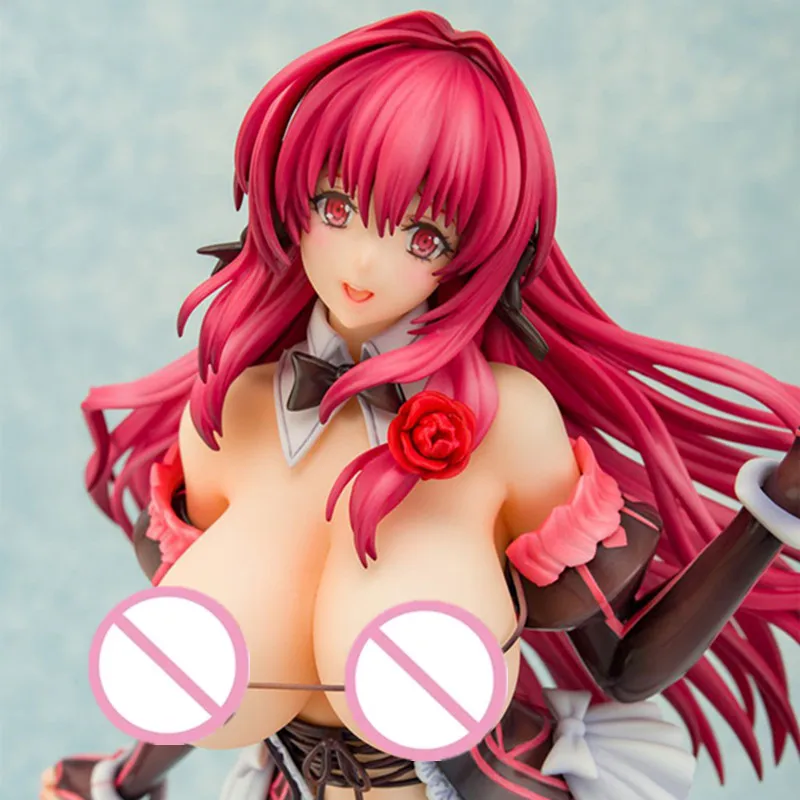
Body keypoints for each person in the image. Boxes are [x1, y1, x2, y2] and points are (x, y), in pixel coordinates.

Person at [40, 10, 800, 800]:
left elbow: (624, 664)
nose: (366, 262)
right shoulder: (231, 415)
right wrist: (120, 781)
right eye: (337, 208)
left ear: (478, 251)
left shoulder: (507, 424)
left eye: (425, 236)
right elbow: (191, 665)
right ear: (290, 201)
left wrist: (776, 508)